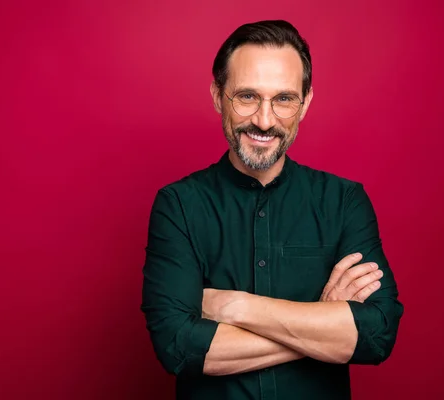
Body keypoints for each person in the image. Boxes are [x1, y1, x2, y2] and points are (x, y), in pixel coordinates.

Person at [141, 20, 403, 400]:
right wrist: (320, 324)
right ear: (218, 95)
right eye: (247, 97)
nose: (265, 121)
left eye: (283, 99)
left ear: (306, 102)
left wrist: (235, 307)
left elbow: (377, 335)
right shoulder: (178, 205)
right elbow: (178, 347)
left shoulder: (344, 201)